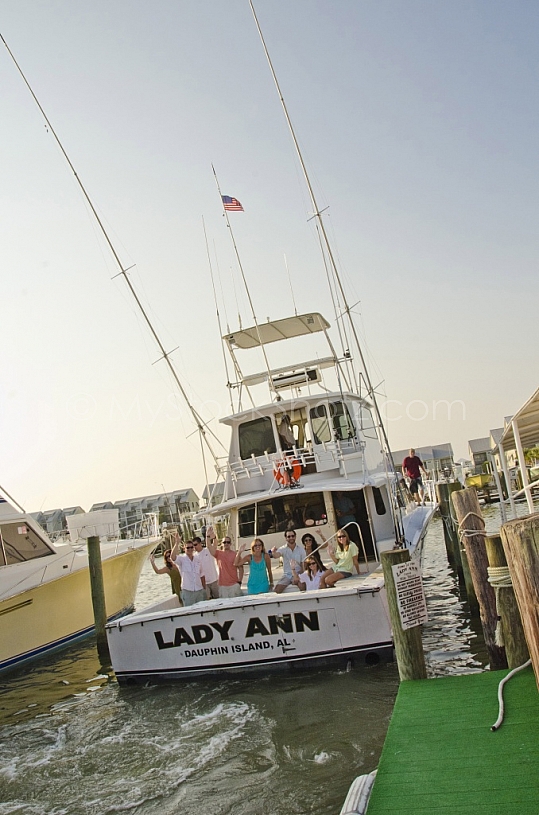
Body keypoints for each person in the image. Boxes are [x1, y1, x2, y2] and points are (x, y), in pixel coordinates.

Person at [206, 528, 244, 598]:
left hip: (234, 585)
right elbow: (209, 547)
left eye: (228, 542)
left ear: (230, 544)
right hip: (222, 586)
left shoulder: (235, 554)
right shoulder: (218, 553)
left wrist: (239, 581)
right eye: (224, 542)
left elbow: (241, 568)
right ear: (222, 544)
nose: (226, 544)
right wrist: (207, 537)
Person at [170, 534, 206, 606]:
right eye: (188, 547)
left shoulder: (198, 560)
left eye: (191, 547)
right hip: (188, 591)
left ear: (193, 548)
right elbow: (172, 557)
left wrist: (204, 589)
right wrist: (177, 543)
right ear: (184, 548)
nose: (190, 549)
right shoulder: (181, 559)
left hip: (199, 590)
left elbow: (202, 575)